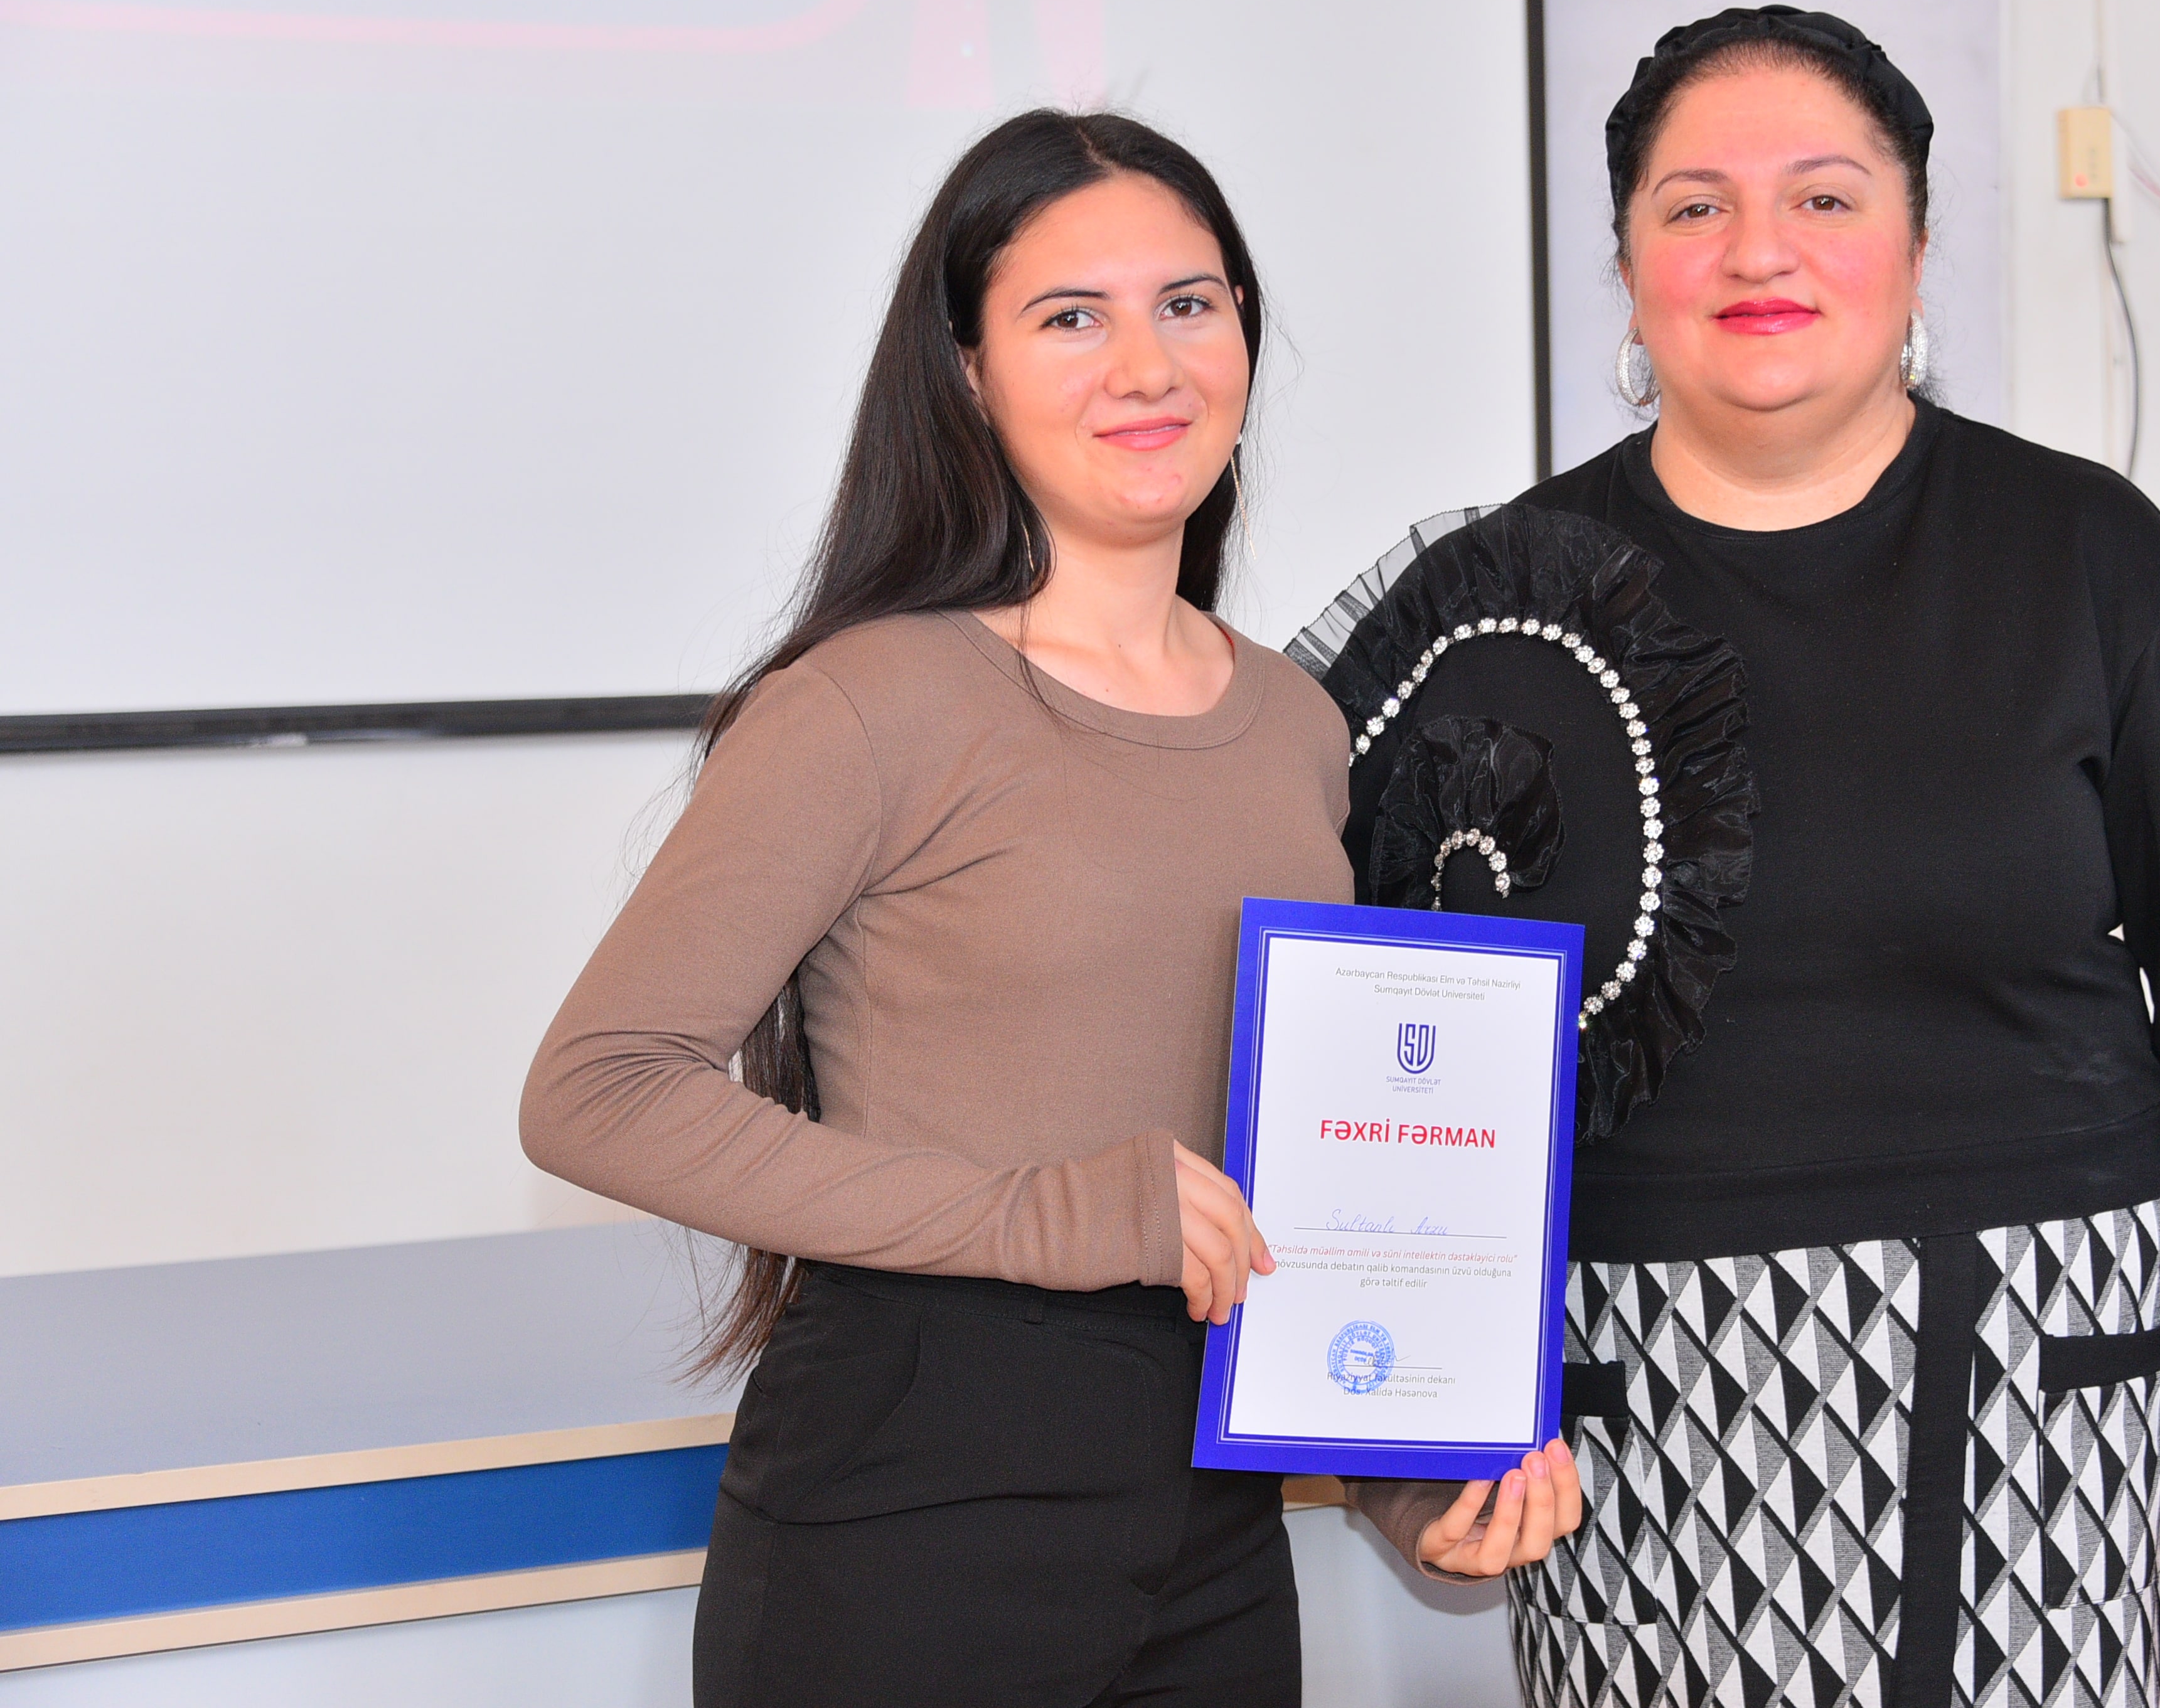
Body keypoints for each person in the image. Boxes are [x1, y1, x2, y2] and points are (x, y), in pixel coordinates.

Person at [1302, 8, 2160, 1708]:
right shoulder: (1497, 610)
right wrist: (1405, 1442)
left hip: (2050, 1421)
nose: (1759, 252)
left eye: (1824, 198)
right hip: (1646, 1456)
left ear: (1918, 247)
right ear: (1627, 268)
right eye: (1695, 207)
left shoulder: (2093, 558)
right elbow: (1352, 1066)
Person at [518, 108, 1575, 1708]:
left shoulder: (1297, 725)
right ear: (968, 377)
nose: (1146, 366)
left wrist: (1408, 1474)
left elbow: (1290, 1183)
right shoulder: (872, 701)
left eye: (1188, 304)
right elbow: (596, 1090)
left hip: (1212, 1545)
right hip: (908, 1522)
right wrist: (1048, 1215)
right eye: (1070, 317)